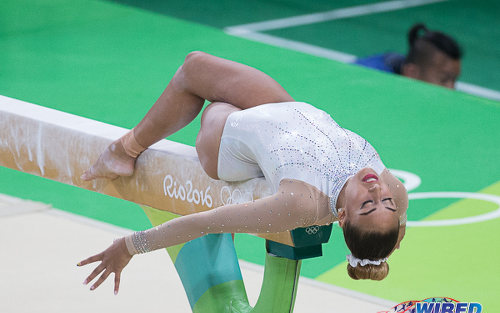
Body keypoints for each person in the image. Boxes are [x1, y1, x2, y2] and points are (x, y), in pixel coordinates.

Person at [77, 51, 408, 294]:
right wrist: (377, 252)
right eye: (387, 204)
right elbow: (393, 235)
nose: (378, 191)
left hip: (227, 139)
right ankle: (124, 150)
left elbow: (204, 223)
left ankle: (124, 151)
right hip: (285, 110)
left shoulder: (302, 203)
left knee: (197, 82)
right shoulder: (396, 190)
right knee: (195, 63)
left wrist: (130, 246)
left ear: (342, 217)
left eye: (368, 204)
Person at [355, 23, 462, 89]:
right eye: (443, 80)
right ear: (411, 73)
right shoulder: (367, 81)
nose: (451, 89)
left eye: (454, 81)